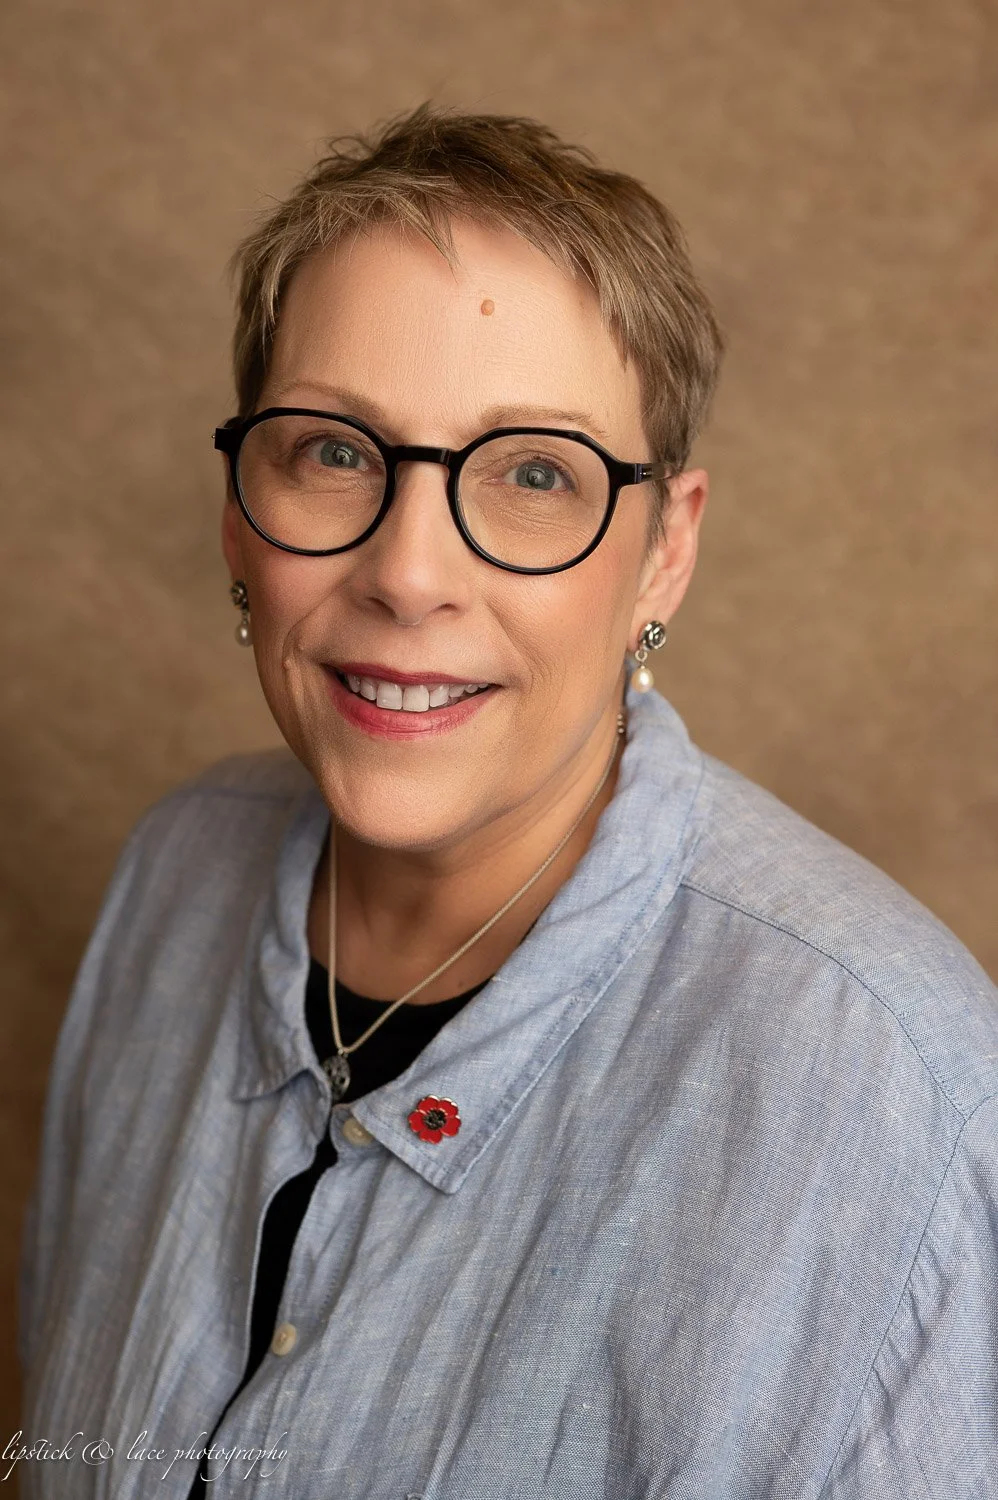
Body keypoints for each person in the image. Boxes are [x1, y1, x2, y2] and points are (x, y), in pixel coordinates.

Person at [17, 103, 998, 1500]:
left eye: (535, 472)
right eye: (334, 451)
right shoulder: (173, 876)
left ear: (663, 554)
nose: (409, 575)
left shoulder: (890, 1088)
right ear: (239, 511)